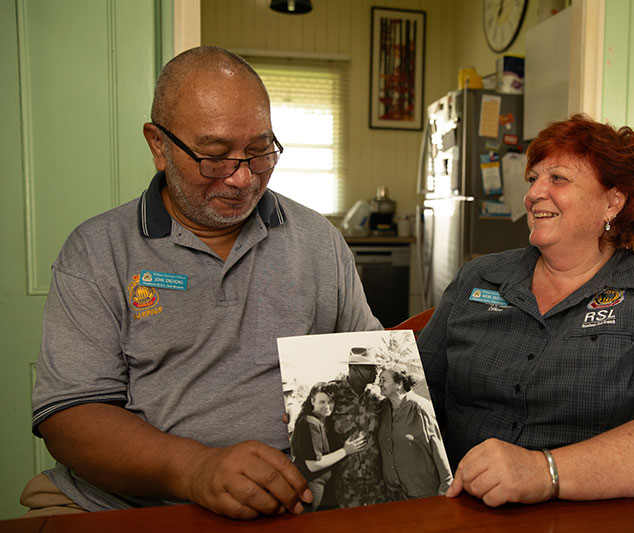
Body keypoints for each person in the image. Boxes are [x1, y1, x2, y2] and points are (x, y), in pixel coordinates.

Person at [23, 46, 381, 520]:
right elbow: (68, 419)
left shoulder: (318, 240)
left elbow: (370, 364)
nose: (242, 178)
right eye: (214, 157)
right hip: (125, 505)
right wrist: (194, 469)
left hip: (296, 501)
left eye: (259, 152)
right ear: (158, 145)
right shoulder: (96, 251)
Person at [417, 114, 634, 507]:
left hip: (596, 515)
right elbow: (412, 390)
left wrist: (544, 472)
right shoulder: (479, 277)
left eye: (558, 178)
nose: (534, 193)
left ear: (613, 201)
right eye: (533, 178)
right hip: (461, 505)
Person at [325, 347, 389, 508]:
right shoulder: (332, 395)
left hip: (376, 482)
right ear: (353, 369)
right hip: (345, 484)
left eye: (375, 367)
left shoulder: (375, 397)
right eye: (369, 367)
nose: (375, 371)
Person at [377, 365, 452, 500]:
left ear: (399, 384)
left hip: (424, 493)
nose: (379, 384)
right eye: (379, 380)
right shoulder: (383, 409)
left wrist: (446, 486)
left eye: (384, 380)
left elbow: (439, 447)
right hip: (396, 495)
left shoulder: (420, 408)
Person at [290, 382, 367, 511]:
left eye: (330, 401)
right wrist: (346, 451)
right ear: (312, 401)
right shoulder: (310, 423)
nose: (327, 406)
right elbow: (314, 464)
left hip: (324, 488)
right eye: (322, 402)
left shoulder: (323, 422)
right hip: (312, 487)